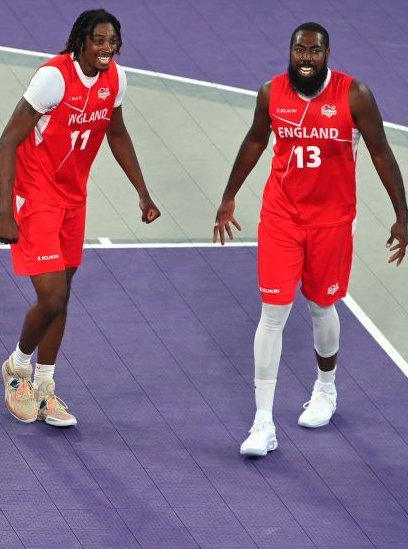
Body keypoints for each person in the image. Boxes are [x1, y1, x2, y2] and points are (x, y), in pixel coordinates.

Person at [213, 22, 407, 457]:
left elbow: (379, 150)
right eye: (299, 50)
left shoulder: (354, 94)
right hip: (282, 218)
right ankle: (263, 422)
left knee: (322, 306)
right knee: (273, 312)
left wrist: (402, 214)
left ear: (327, 54)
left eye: (313, 52)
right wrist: (229, 197)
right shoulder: (271, 92)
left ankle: (326, 388)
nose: (305, 58)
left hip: (333, 223)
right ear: (290, 51)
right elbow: (255, 141)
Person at [0, 9, 160, 427]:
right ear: (81, 42)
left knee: (63, 296)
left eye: (113, 42)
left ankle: (46, 387)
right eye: (100, 41)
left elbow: (116, 133)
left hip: (73, 201)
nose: (107, 48)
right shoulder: (53, 79)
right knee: (51, 297)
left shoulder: (116, 79)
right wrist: (4, 213)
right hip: (35, 198)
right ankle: (17, 368)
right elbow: (6, 142)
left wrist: (142, 192)